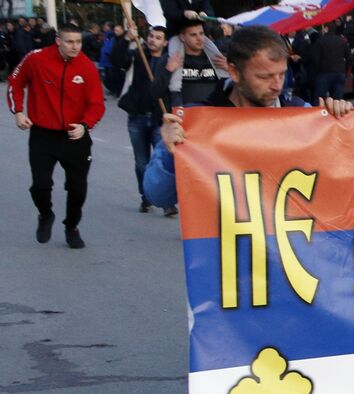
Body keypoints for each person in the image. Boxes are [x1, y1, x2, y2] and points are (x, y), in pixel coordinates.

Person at [145, 24, 354, 394]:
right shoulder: (200, 121)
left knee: (299, 368)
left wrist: (340, 120)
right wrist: (171, 149)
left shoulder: (301, 115)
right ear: (232, 71)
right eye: (264, 76)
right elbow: (153, 187)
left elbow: (347, 167)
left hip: (296, 271)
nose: (275, 84)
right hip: (234, 275)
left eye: (281, 73)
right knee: (255, 374)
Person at [7, 21, 105, 248]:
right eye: (70, 42)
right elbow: (15, 82)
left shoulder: (87, 67)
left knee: (77, 189)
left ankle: (71, 226)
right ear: (58, 41)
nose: (75, 47)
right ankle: (45, 214)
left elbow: (97, 104)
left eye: (78, 41)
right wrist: (19, 112)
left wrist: (85, 124)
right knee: (40, 186)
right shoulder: (36, 58)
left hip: (75, 136)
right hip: (43, 134)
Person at [110, 23, 174, 215]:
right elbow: (116, 60)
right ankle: (145, 196)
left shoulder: (169, 61)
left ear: (165, 42)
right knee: (141, 163)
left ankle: (165, 201)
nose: (153, 40)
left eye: (158, 37)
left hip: (158, 120)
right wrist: (127, 39)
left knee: (161, 161)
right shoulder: (139, 55)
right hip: (137, 117)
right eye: (151, 36)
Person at [161, 13, 228, 109]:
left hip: (213, 118)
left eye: (201, 34)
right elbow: (155, 93)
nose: (199, 38)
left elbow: (233, 90)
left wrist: (229, 70)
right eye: (193, 35)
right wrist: (168, 71)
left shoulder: (217, 59)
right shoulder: (171, 59)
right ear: (183, 37)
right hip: (183, 118)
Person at [308, 23, 350, 101]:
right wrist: (345, 71)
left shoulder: (320, 41)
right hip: (339, 73)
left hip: (323, 73)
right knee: (337, 101)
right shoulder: (342, 41)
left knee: (320, 100)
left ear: (326, 28)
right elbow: (349, 57)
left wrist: (316, 72)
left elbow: (315, 59)